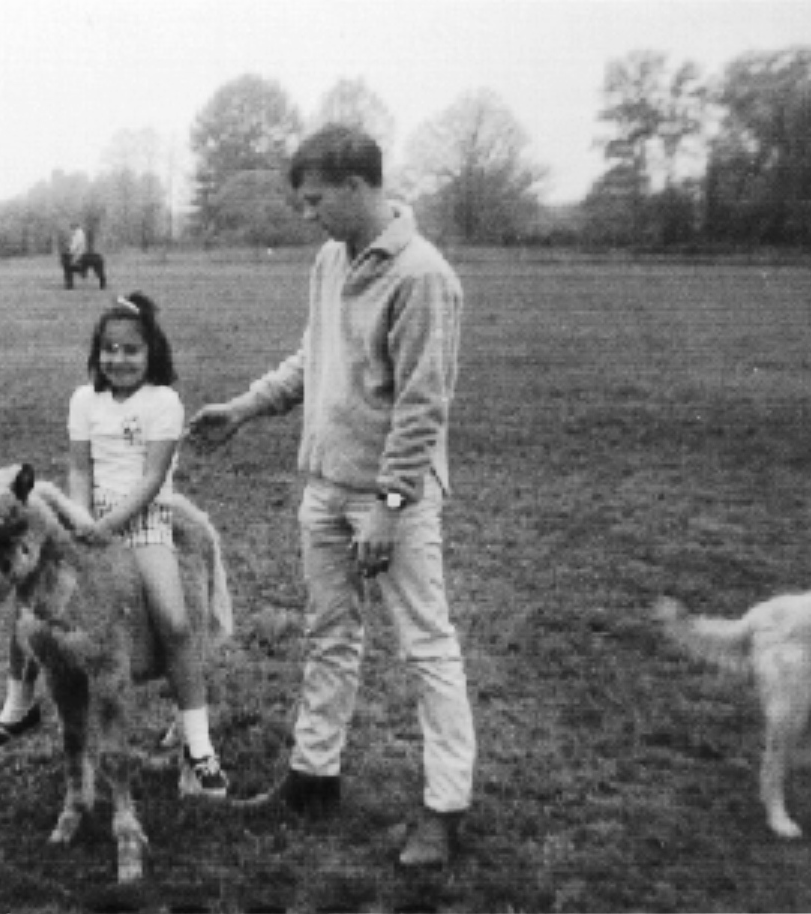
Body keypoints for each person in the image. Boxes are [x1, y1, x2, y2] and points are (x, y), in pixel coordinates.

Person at [187, 124, 475, 868]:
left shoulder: (422, 276)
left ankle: (445, 808)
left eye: (316, 199)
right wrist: (246, 407)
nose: (307, 212)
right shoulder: (329, 259)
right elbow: (314, 355)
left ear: (357, 186)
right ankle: (313, 778)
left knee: (425, 646)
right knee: (328, 635)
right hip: (324, 484)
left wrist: (388, 504)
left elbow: (422, 405)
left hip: (392, 501)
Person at [0, 292, 230, 799]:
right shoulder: (84, 400)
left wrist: (110, 524)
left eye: (131, 350)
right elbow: (79, 468)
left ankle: (199, 746)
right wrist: (79, 522)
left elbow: (154, 477)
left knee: (175, 621)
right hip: (88, 521)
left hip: (144, 523)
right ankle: (17, 704)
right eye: (109, 349)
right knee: (35, 602)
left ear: (151, 352)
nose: (119, 359)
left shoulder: (163, 402)